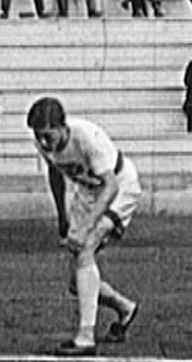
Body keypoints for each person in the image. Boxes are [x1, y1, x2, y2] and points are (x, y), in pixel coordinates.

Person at [26, 97, 142, 356]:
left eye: (48, 136)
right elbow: (55, 172)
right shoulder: (42, 143)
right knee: (76, 283)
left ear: (62, 126)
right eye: (39, 137)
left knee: (87, 247)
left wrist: (87, 227)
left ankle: (85, 337)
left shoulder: (88, 137)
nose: (44, 143)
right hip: (87, 192)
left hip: (120, 187)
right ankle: (125, 308)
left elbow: (110, 185)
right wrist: (62, 217)